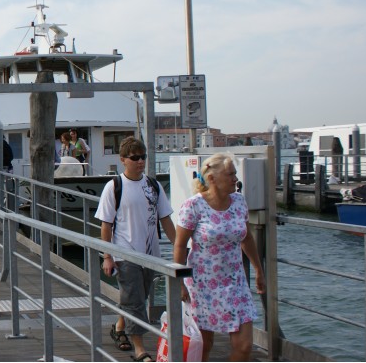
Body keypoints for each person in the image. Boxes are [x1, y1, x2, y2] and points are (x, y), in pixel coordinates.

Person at [173, 153, 266, 362]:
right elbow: (179, 245)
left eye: (235, 174)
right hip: (202, 284)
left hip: (235, 282)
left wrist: (258, 270)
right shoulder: (193, 206)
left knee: (244, 346)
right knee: (203, 346)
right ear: (212, 178)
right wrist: (179, 283)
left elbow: (246, 238)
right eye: (230, 174)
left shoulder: (239, 202)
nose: (235, 179)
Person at [96, 137, 176, 362]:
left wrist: (180, 247)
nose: (140, 161)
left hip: (150, 254)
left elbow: (166, 219)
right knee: (135, 299)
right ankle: (140, 349)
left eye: (143, 157)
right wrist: (108, 256)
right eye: (135, 158)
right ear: (123, 160)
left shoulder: (153, 185)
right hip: (125, 253)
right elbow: (106, 225)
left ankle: (119, 327)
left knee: (139, 297)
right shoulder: (114, 187)